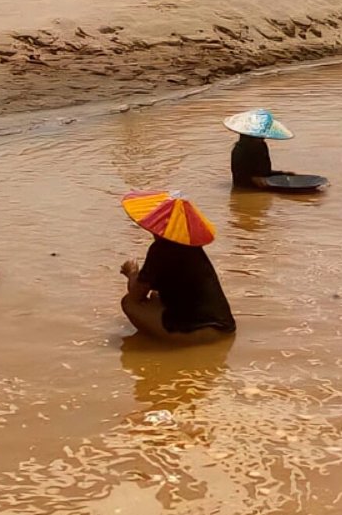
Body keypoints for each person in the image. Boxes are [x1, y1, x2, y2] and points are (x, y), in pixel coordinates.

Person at [118, 191, 235, 342]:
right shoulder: (192, 248)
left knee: (128, 304)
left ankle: (159, 348)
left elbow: (135, 295)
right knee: (155, 296)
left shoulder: (160, 250)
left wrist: (132, 272)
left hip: (201, 333)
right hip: (225, 327)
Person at [224, 108, 293, 188]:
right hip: (246, 188)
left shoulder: (262, 146)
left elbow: (265, 172)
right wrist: (254, 179)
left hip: (265, 185)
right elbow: (239, 177)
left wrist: (283, 174)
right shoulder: (239, 150)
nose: (262, 138)